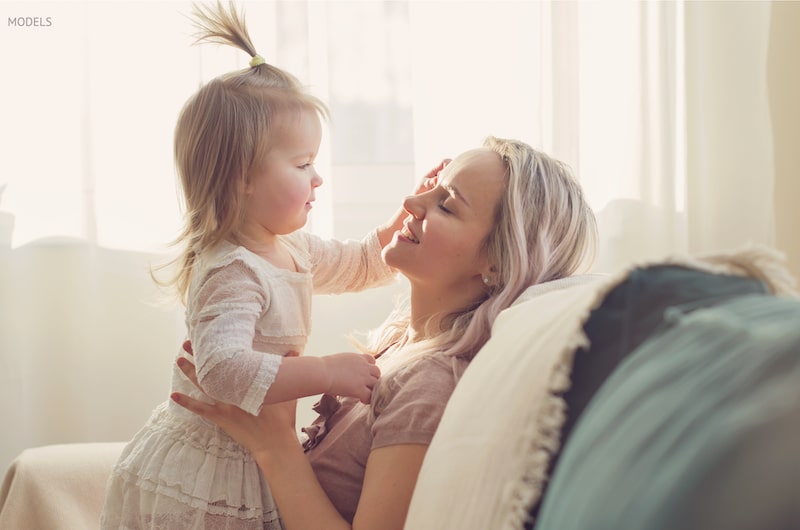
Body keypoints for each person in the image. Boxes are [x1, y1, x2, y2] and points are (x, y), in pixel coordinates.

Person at [100, 3, 446, 529]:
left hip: (252, 448)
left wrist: (402, 219)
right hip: (207, 469)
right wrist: (325, 372)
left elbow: (359, 263)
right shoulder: (231, 270)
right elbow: (221, 370)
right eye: (303, 164)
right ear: (241, 176)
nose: (318, 179)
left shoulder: (294, 249)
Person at [171, 135, 599, 530]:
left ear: (498, 262)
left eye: (446, 205)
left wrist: (274, 445)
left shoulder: (428, 385)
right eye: (433, 187)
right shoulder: (398, 347)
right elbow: (364, 258)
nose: (414, 201)